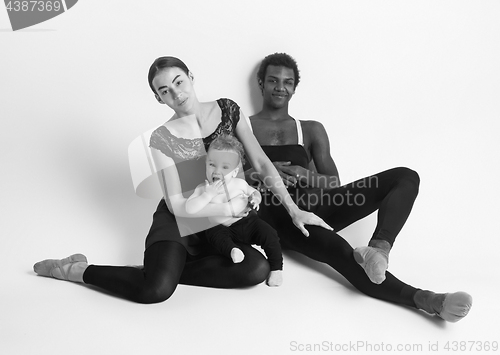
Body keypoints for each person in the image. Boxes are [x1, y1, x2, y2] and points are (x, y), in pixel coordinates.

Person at [33, 56, 329, 303]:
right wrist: (227, 210)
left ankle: (163, 269)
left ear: (190, 76)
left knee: (255, 269)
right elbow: (177, 205)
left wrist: (294, 209)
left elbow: (262, 162)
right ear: (158, 98)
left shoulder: (227, 109)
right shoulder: (161, 138)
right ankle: (74, 270)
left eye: (178, 82)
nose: (176, 94)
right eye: (164, 91)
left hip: (217, 224)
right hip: (180, 218)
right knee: (155, 291)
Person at [245, 52, 472, 322]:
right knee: (340, 251)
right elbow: (226, 177)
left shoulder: (311, 129)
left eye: (287, 82)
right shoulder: (243, 127)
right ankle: (427, 299)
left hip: (316, 207)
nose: (280, 87)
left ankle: (379, 249)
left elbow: (333, 183)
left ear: (295, 87)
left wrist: (302, 173)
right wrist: (258, 174)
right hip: (278, 216)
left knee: (405, 176)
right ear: (261, 84)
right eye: (272, 80)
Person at [186, 134, 283, 286]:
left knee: (269, 233)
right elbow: (189, 208)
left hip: (247, 223)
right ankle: (232, 251)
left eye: (225, 167)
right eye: (212, 164)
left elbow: (254, 192)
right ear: (206, 163)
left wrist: (256, 199)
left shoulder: (240, 184)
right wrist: (206, 195)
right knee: (214, 234)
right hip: (222, 228)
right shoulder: (202, 188)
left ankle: (277, 268)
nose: (217, 171)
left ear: (235, 171)